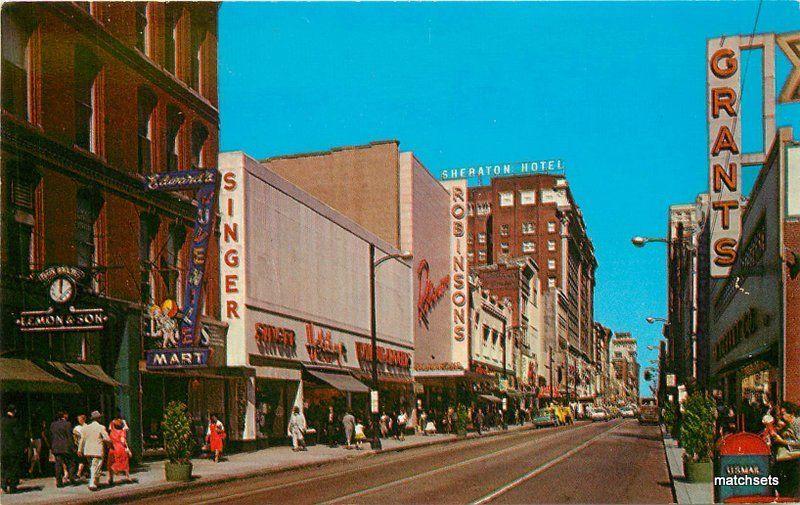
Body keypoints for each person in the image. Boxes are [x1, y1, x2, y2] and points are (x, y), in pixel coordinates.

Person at [77, 411, 110, 491]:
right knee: (96, 467)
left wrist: (79, 449)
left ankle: (96, 482)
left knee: (92, 466)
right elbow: (107, 438)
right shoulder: (101, 427)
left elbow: (82, 440)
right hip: (97, 451)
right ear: (98, 418)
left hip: (88, 451)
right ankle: (92, 483)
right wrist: (109, 445)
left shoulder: (86, 428)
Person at [50, 411, 77, 487]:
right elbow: (69, 436)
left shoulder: (53, 424)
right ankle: (71, 478)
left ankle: (59, 482)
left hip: (56, 447)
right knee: (71, 463)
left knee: (58, 464)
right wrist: (73, 447)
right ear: (64, 416)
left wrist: (52, 446)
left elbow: (51, 436)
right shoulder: (67, 424)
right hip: (66, 447)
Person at [1, 405, 24, 493]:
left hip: (3, 448)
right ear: (14, 411)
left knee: (4, 467)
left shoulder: (2, 421)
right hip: (13, 448)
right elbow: (17, 435)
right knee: (14, 467)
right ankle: (12, 486)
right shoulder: (14, 422)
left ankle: (3, 485)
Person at [108, 418, 131, 484]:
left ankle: (110, 478)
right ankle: (127, 476)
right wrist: (128, 449)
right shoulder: (122, 432)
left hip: (112, 448)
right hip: (120, 448)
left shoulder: (112, 429)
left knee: (111, 462)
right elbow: (123, 441)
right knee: (125, 462)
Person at [73, 414, 88, 479]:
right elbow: (74, 434)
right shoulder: (77, 427)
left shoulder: (87, 427)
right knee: (82, 459)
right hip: (78, 445)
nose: (79, 420)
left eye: (80, 419)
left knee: (83, 460)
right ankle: (82, 472)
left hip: (85, 445)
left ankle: (79, 473)